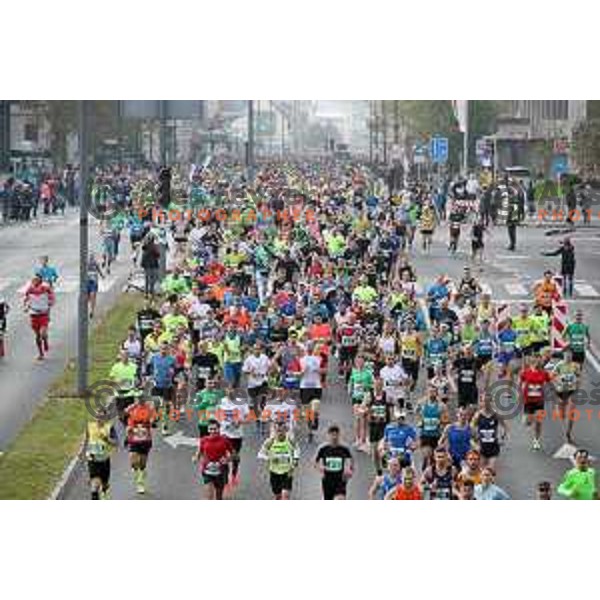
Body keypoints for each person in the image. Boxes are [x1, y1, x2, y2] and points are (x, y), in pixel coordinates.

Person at [258, 421, 300, 499]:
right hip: (274, 472)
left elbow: (297, 449)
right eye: (278, 431)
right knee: (278, 495)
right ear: (275, 431)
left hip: (287, 472)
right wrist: (269, 458)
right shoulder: (270, 441)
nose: (280, 433)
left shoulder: (290, 441)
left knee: (285, 495)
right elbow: (260, 454)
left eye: (282, 430)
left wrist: (296, 459)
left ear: (286, 430)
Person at [194, 418, 232, 500]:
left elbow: (234, 455)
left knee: (219, 496)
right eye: (211, 429)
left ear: (219, 429)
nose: (213, 431)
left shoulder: (225, 440)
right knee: (209, 495)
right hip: (207, 470)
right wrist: (195, 457)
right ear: (208, 430)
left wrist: (227, 459)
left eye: (215, 429)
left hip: (221, 471)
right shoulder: (203, 440)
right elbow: (199, 451)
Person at [520, 355, 552, 451]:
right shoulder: (525, 372)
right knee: (527, 422)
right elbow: (520, 382)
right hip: (528, 400)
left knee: (539, 421)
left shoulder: (544, 373)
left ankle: (536, 440)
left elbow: (549, 383)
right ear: (532, 362)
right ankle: (528, 418)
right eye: (536, 361)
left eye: (540, 361)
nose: (538, 363)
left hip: (539, 400)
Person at [314, 425, 354, 500]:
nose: (334, 437)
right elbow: (315, 462)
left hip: (340, 480)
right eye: (332, 435)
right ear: (328, 436)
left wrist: (349, 469)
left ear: (339, 435)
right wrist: (320, 468)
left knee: (340, 499)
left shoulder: (344, 449)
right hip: (327, 480)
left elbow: (350, 460)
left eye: (336, 435)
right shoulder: (323, 449)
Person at [125, 394, 154, 495]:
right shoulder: (132, 408)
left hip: (145, 439)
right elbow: (124, 414)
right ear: (136, 399)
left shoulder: (149, 409)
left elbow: (154, 420)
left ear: (144, 399)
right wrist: (128, 429)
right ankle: (139, 482)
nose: (140, 400)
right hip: (134, 438)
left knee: (142, 463)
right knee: (133, 460)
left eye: (142, 398)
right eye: (138, 398)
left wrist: (152, 421)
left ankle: (141, 480)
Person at [85, 411, 118, 499]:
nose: (99, 419)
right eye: (98, 416)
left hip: (104, 459)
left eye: (102, 417)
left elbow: (115, 443)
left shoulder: (109, 427)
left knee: (104, 484)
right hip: (93, 459)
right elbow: (87, 440)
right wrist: (83, 453)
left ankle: (105, 493)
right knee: (95, 485)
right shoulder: (90, 426)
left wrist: (107, 439)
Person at [23, 274, 55, 360]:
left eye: (36, 280)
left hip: (43, 314)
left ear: (40, 280)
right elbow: (26, 299)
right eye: (33, 280)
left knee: (43, 333)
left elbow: (51, 296)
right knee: (37, 335)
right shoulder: (30, 289)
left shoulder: (45, 288)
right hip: (34, 314)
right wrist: (26, 307)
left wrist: (51, 302)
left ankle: (45, 340)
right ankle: (41, 353)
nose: (34, 281)